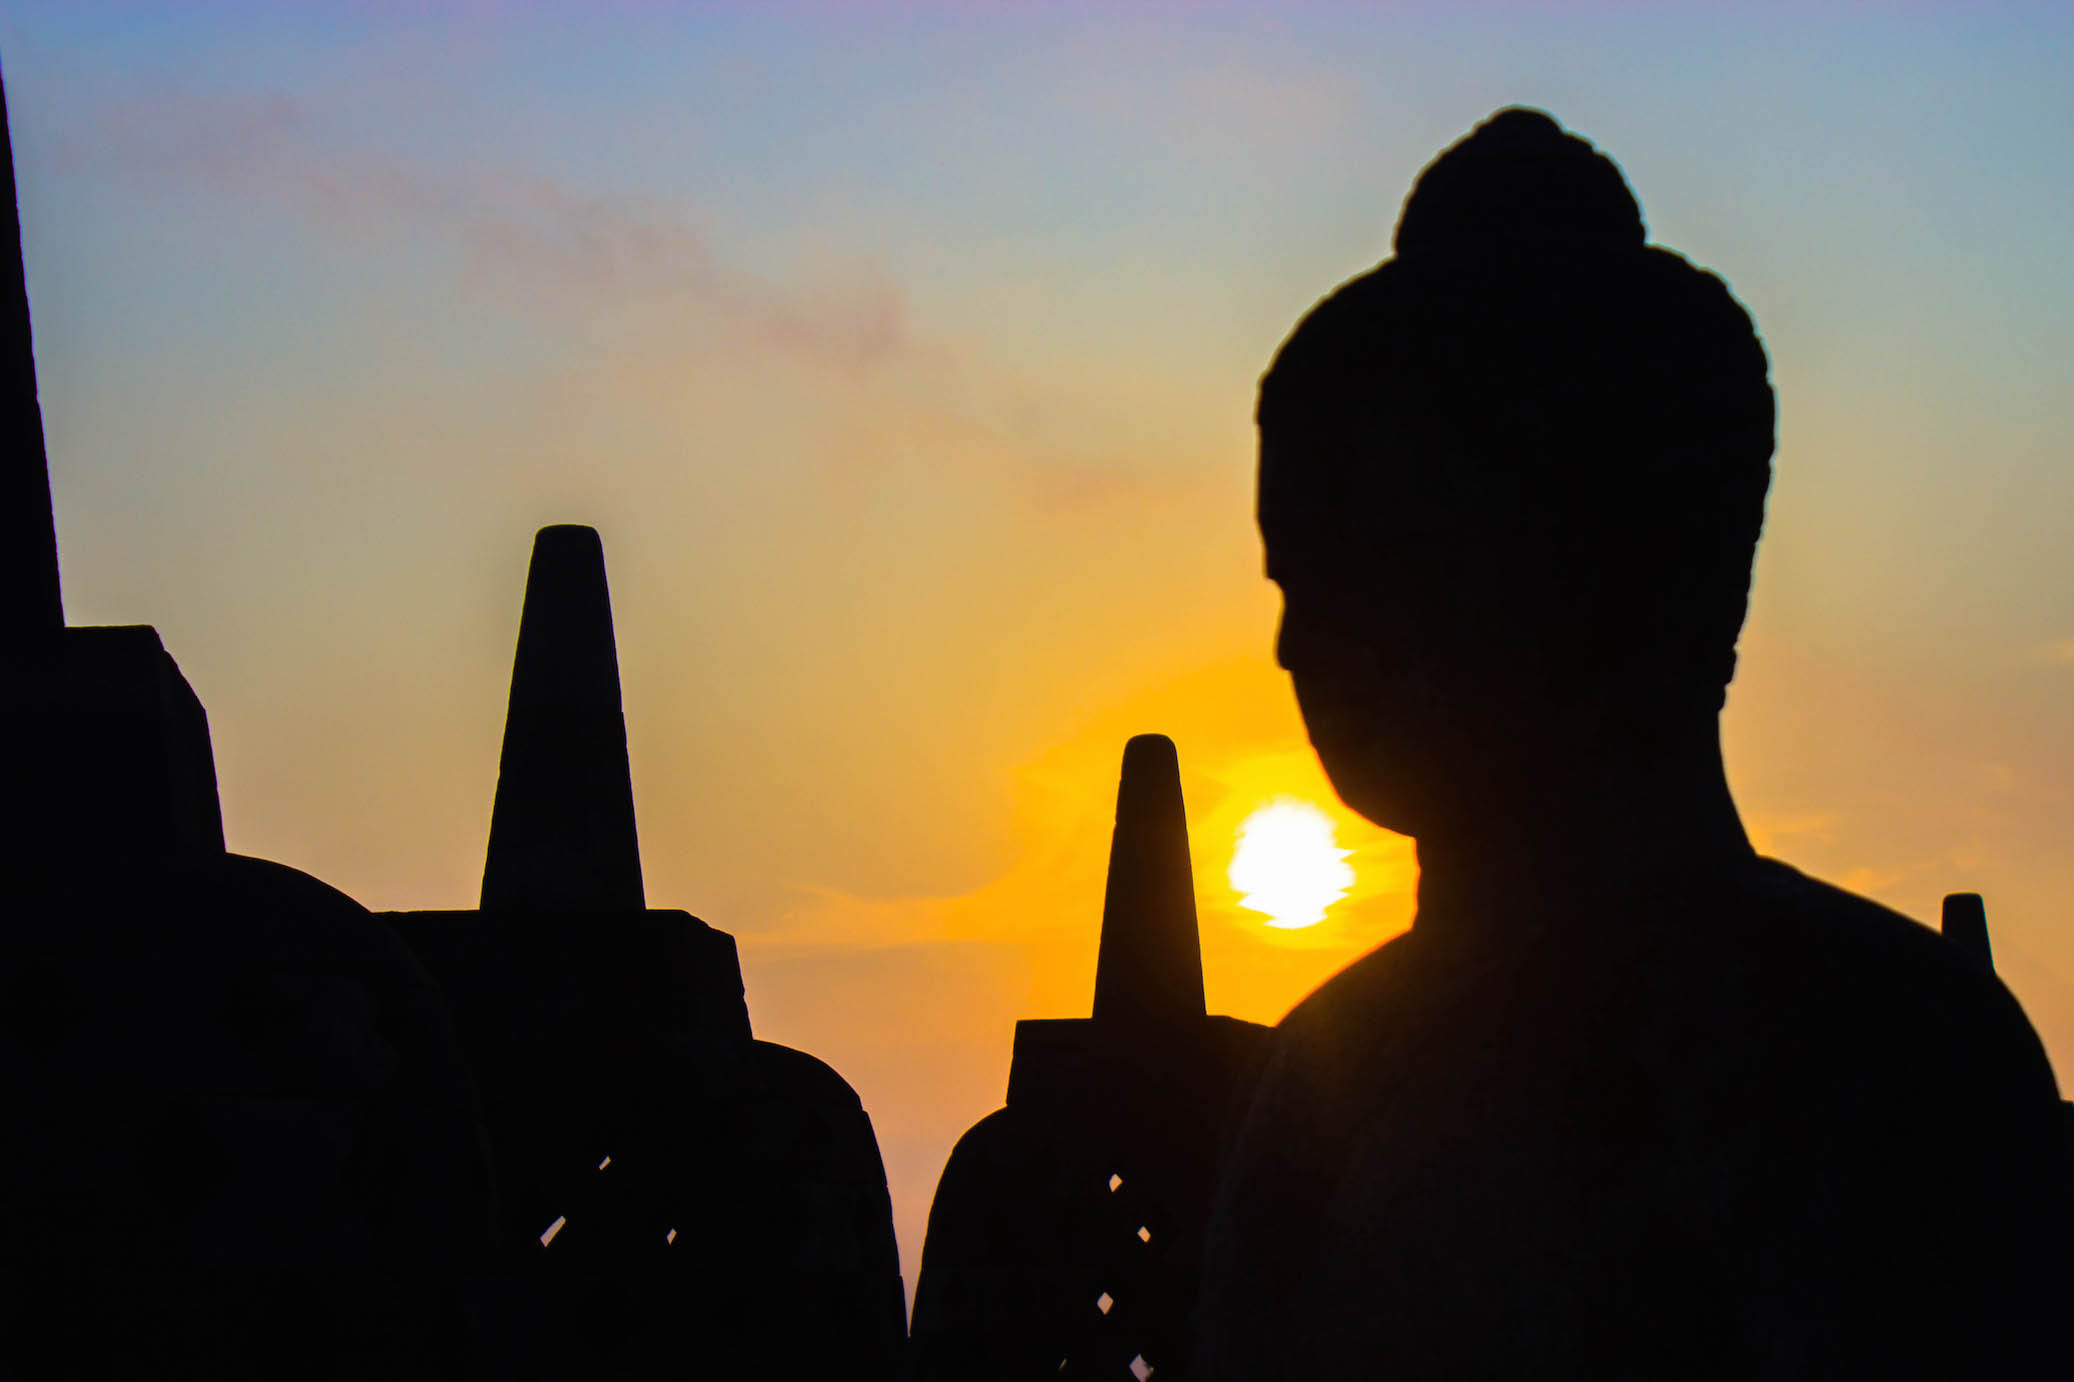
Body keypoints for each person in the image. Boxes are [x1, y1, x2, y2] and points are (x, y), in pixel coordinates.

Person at [1193, 107, 2074, 1378]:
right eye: (1289, 588)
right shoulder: (1921, 1033)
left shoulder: (1901, 1066)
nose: (1291, 649)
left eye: (1341, 583)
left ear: (1563, 568)